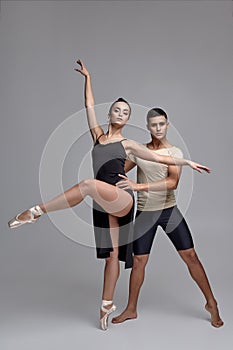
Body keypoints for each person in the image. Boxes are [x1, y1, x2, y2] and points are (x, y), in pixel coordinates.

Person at [8, 61, 210, 331]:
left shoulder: (129, 144)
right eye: (117, 109)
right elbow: (88, 107)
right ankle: (106, 304)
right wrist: (88, 78)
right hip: (103, 204)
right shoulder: (97, 136)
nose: (120, 113)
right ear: (111, 114)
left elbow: (154, 156)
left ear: (127, 119)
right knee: (111, 257)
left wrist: (188, 163)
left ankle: (36, 211)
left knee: (88, 184)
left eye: (125, 112)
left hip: (122, 198)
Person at [112, 108, 223, 328]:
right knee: (139, 262)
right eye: (154, 125)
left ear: (167, 125)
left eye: (161, 124)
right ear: (148, 127)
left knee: (191, 256)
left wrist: (138, 186)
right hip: (145, 213)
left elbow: (172, 183)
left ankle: (212, 303)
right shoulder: (139, 151)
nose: (158, 128)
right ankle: (131, 308)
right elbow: (117, 173)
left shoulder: (175, 153)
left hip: (168, 211)